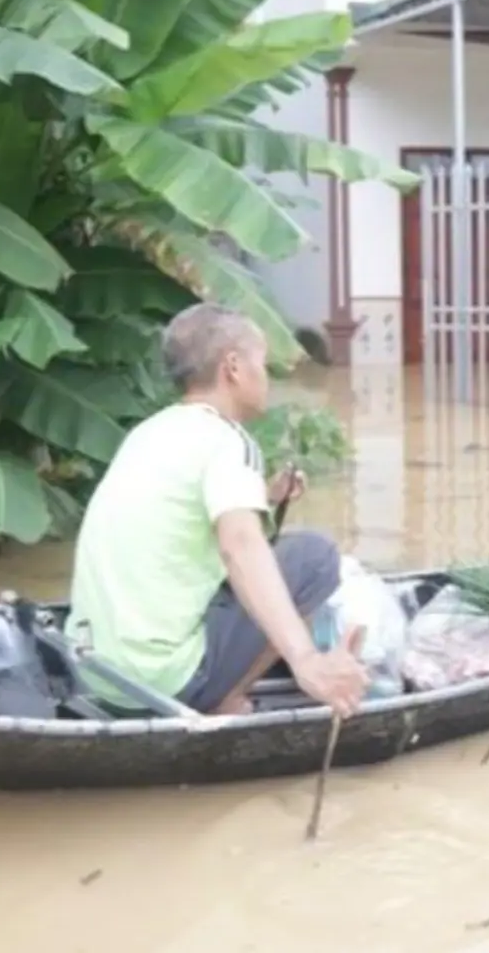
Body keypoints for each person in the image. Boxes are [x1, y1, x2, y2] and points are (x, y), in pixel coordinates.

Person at [65, 303, 369, 718]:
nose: (267, 377)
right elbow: (240, 545)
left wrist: (266, 495)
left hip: (98, 672)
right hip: (164, 681)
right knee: (315, 557)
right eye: (261, 362)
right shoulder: (228, 440)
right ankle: (222, 700)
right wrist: (306, 662)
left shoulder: (150, 432)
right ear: (234, 368)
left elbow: (181, 511)